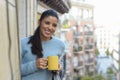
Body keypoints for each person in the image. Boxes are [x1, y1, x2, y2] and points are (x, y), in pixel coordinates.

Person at [21, 9, 65, 80]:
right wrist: (34, 65)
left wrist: (59, 68)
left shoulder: (60, 45)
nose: (50, 28)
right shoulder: (23, 43)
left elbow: (62, 70)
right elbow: (13, 70)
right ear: (39, 22)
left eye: (54, 25)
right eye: (47, 23)